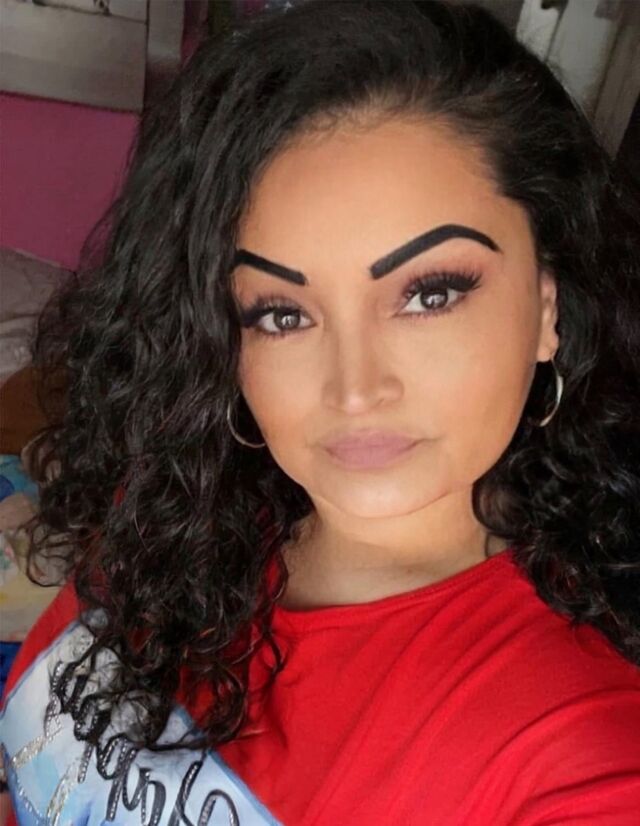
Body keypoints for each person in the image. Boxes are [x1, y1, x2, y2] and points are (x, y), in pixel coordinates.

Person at [1, 0, 640, 822]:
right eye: (282, 313)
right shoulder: (173, 507)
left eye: (430, 294)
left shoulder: (580, 753)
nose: (355, 388)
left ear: (548, 305)